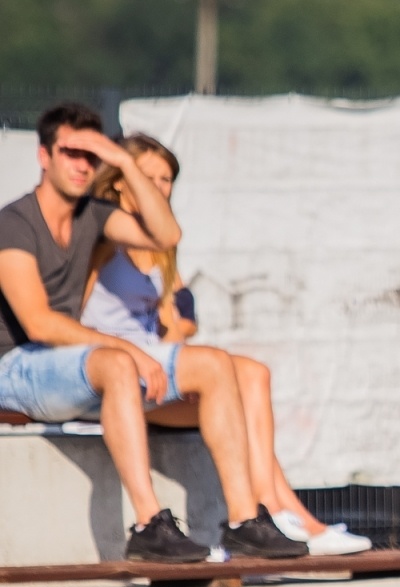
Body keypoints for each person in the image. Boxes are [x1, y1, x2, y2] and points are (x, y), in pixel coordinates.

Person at [0, 101, 304, 562]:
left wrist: (123, 159)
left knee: (215, 364)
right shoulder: (13, 224)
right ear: (44, 156)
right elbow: (37, 323)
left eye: (91, 154)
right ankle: (148, 524)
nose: (82, 165)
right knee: (119, 362)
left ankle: (244, 520)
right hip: (17, 367)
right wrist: (130, 349)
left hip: (72, 368)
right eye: (70, 152)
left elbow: (167, 236)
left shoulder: (95, 215)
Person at [80, 133, 370, 556]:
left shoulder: (160, 247)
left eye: (167, 179)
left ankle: (280, 512)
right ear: (122, 179)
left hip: (155, 372)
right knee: (229, 370)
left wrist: (176, 332)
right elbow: (72, 314)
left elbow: (177, 314)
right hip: (114, 371)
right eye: (150, 176)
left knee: (253, 375)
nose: (160, 187)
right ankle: (277, 516)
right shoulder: (102, 235)